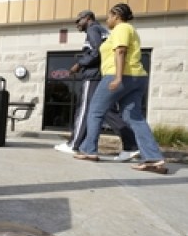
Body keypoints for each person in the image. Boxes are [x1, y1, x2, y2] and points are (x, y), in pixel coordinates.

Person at [74, 3, 167, 174]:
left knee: (95, 110)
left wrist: (117, 77)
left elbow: (121, 51)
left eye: (109, 16)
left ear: (116, 15)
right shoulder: (129, 30)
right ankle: (153, 159)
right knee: (134, 117)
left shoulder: (121, 29)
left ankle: (89, 150)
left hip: (120, 75)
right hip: (136, 77)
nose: (107, 20)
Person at [54, 9, 140, 161]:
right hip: (103, 74)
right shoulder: (102, 30)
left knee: (85, 109)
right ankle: (131, 144)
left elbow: (96, 52)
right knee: (106, 111)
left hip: (93, 76)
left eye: (78, 21)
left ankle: (74, 144)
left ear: (87, 18)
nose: (77, 24)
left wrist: (79, 65)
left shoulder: (93, 29)